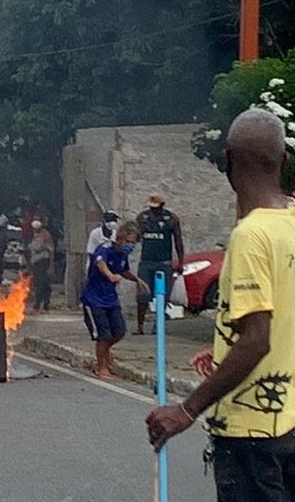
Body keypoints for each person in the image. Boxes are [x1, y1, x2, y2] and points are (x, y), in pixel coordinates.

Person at [147, 109, 295, 500]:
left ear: (228, 160)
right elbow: (279, 326)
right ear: (284, 160)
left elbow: (257, 340)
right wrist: (224, 348)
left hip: (252, 432)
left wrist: (186, 410)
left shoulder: (251, 235)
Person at [80, 221, 145, 378]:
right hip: (94, 300)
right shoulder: (105, 249)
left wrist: (138, 280)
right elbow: (100, 263)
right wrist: (110, 275)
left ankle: (105, 352)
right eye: (128, 242)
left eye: (133, 243)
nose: (130, 246)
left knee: (119, 331)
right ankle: (100, 366)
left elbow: (123, 270)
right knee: (104, 335)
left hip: (111, 299)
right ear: (121, 238)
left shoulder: (122, 255)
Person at [135, 191, 185, 334]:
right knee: (142, 295)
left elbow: (178, 240)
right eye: (151, 207)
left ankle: (158, 326)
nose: (153, 210)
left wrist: (181, 261)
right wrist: (141, 230)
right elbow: (136, 237)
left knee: (162, 295)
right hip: (146, 261)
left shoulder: (171, 219)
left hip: (164, 262)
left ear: (162, 205)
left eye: (156, 207)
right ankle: (140, 326)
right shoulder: (142, 218)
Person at [28, 218, 54, 311]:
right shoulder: (35, 235)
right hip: (36, 262)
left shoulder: (45, 236)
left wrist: (51, 266)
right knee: (38, 283)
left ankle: (41, 303)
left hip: (43, 262)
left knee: (42, 283)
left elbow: (51, 251)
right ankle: (40, 303)